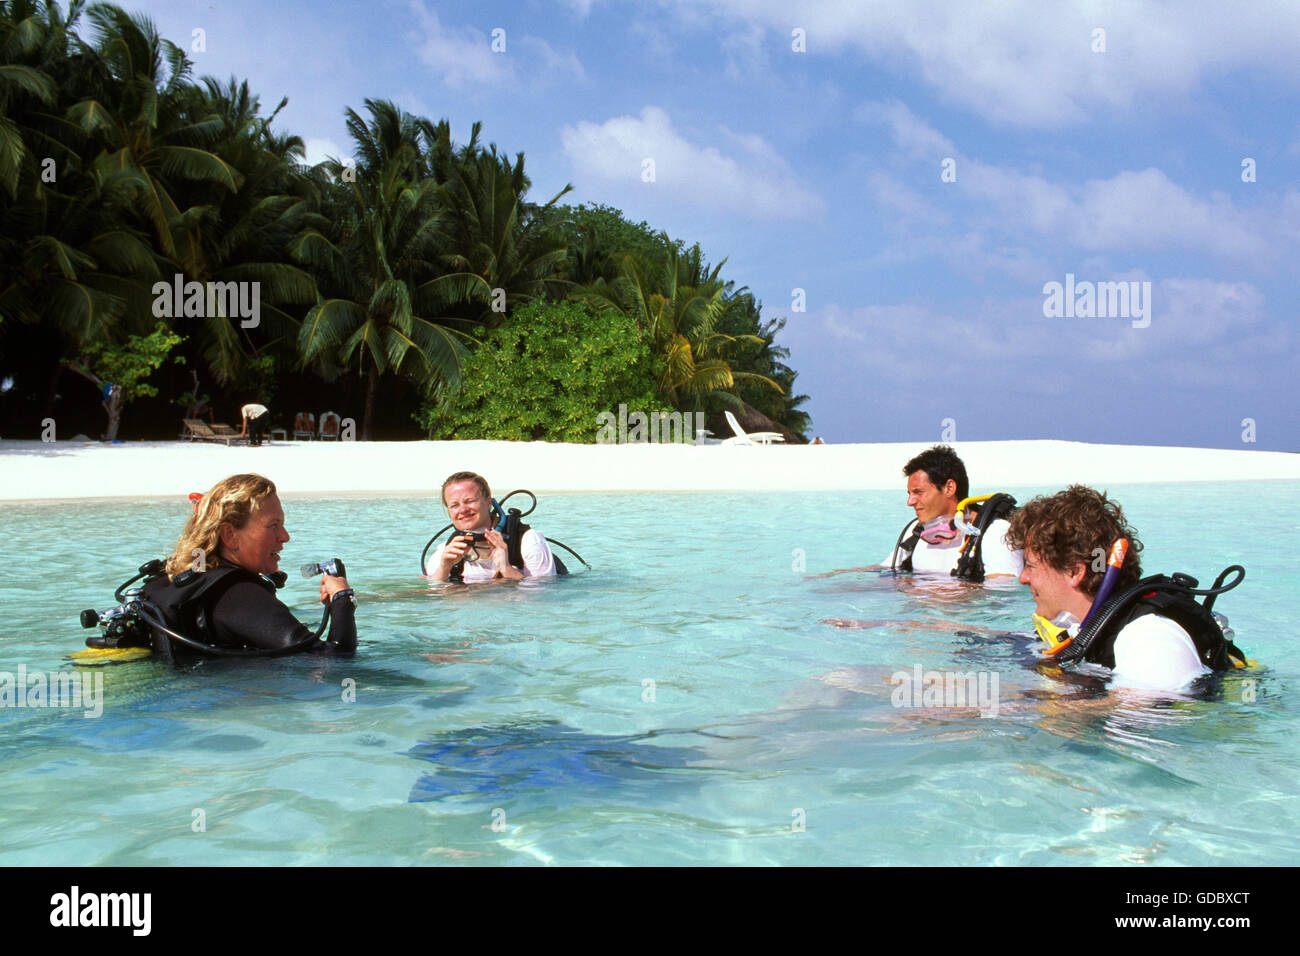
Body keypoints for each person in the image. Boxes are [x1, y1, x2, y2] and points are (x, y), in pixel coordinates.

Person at [1005, 485, 1245, 691]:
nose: (1023, 578)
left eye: (1031, 566)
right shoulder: (1084, 626)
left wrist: (1008, 705)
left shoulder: (1147, 636)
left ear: (1074, 572)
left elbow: (1145, 718)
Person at [142, 474, 356, 656]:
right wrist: (342, 600)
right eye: (273, 526)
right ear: (230, 535)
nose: (285, 537)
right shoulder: (239, 596)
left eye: (282, 525)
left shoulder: (183, 576)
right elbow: (333, 662)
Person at [818, 445, 1021, 581]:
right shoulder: (915, 533)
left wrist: (933, 594)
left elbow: (1000, 599)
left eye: (919, 492)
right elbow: (885, 570)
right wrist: (832, 579)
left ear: (949, 488)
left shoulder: (995, 534)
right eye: (909, 493)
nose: (910, 502)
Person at [426, 471, 556, 583]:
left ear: (488, 503)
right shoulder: (444, 552)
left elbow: (544, 597)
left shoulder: (528, 541)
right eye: (454, 505)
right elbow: (431, 598)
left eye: (470, 501)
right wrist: (444, 568)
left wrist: (506, 569)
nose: (463, 510)